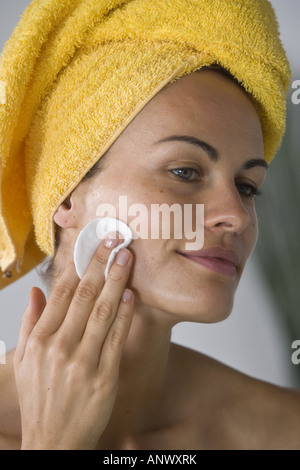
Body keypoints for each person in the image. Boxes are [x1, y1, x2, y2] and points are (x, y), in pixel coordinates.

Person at [0, 0, 299, 450]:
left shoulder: (281, 431)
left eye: (247, 186)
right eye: (185, 172)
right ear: (66, 196)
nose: (236, 215)